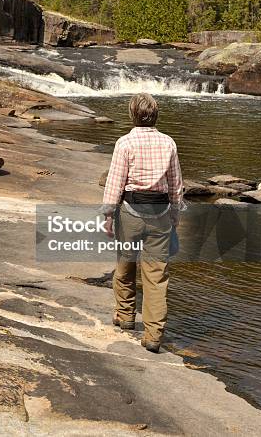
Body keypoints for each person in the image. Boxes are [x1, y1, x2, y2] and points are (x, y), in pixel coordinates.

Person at [102, 93, 183, 353]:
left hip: (130, 213)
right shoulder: (168, 143)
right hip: (159, 215)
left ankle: (125, 317)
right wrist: (175, 214)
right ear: (155, 115)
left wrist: (107, 215)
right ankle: (153, 336)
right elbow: (175, 183)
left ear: (132, 115)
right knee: (157, 278)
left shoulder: (125, 142)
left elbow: (115, 182)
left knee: (125, 266)